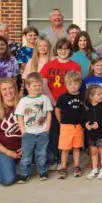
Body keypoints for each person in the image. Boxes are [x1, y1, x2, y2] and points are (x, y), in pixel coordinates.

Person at [39, 38, 81, 169]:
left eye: (66, 48)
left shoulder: (75, 66)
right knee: (54, 131)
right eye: (60, 48)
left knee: (68, 131)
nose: (63, 51)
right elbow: (44, 83)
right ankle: (54, 158)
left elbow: (78, 84)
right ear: (56, 50)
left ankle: (69, 158)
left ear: (70, 50)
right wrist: (52, 100)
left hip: (70, 105)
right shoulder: (49, 65)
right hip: (52, 103)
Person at [15, 72, 52, 183]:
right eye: (34, 85)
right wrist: (23, 131)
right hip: (28, 133)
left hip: (42, 132)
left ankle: (42, 171)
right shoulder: (24, 101)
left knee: (42, 153)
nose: (37, 88)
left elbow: (48, 113)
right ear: (28, 86)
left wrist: (48, 128)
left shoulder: (45, 99)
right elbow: (19, 116)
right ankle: (24, 173)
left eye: (39, 85)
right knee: (26, 154)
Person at [55, 71, 85, 179]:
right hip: (66, 127)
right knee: (65, 148)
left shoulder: (82, 97)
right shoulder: (63, 97)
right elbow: (57, 110)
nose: (73, 86)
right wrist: (61, 122)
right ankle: (63, 167)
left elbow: (84, 111)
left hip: (78, 127)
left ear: (80, 84)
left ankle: (76, 166)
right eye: (70, 84)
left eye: (76, 83)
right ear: (66, 85)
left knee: (77, 147)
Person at [84, 84, 102, 180]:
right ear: (91, 97)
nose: (101, 96)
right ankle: (95, 169)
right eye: (98, 94)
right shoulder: (87, 107)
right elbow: (84, 118)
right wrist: (86, 124)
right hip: (92, 135)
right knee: (93, 152)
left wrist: (99, 124)